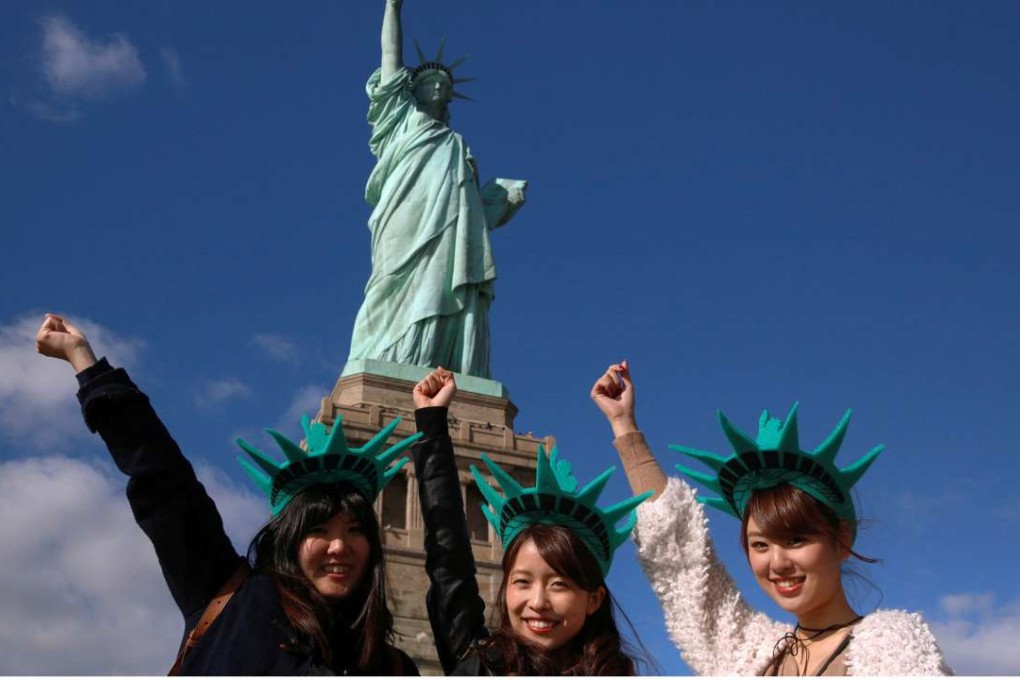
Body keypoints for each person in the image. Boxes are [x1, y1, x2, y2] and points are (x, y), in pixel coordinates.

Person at [35, 313, 421, 675]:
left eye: (355, 530)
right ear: (289, 539)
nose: (339, 546)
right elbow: (164, 481)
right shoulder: (231, 597)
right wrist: (87, 364)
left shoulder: (392, 667)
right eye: (319, 530)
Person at [590, 360, 952, 676]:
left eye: (796, 539)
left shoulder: (893, 645)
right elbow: (682, 565)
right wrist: (625, 428)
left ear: (841, 539)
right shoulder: (749, 653)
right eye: (760, 544)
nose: (777, 563)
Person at [409, 367, 650, 675]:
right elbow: (448, 559)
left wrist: (625, 428)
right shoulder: (482, 663)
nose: (538, 602)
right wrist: (432, 427)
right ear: (506, 587)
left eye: (559, 584)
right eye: (522, 581)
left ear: (594, 599)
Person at [347, 0, 527, 379]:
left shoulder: (457, 143)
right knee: (390, 282)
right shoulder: (399, 120)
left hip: (452, 227)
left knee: (446, 283)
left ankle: (442, 365)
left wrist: (497, 203)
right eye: (432, 82)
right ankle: (387, 357)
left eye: (445, 85)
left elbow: (469, 205)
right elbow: (390, 57)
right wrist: (392, 8)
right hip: (405, 215)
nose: (441, 87)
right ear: (413, 89)